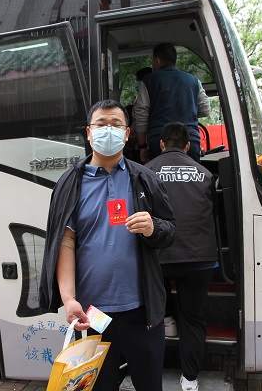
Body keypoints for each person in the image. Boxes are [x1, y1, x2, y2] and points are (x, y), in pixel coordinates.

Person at [39, 99, 176, 391]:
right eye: (101, 124)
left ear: (127, 134)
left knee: (150, 385)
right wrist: (68, 299)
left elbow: (170, 231)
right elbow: (65, 243)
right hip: (92, 315)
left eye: (116, 125)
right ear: (89, 133)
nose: (108, 130)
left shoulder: (144, 178)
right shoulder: (70, 183)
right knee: (99, 386)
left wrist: (153, 227)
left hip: (142, 311)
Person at [145, 123, 219, 391]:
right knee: (193, 318)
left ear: (161, 144)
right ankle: (189, 380)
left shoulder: (147, 171)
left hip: (161, 254)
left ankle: (166, 320)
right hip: (200, 257)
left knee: (152, 308)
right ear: (188, 146)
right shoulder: (205, 173)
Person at [133, 43, 210, 163]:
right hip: (189, 141)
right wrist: (187, 112)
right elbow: (205, 110)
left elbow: (141, 115)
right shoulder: (194, 81)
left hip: (160, 141)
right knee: (190, 175)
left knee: (159, 175)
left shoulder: (148, 81)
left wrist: (142, 146)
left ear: (157, 60)